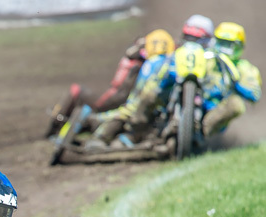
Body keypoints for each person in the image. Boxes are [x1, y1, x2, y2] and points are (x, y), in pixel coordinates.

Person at [83, 15, 215, 150]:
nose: (192, 44)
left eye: (197, 39)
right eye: (189, 38)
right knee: (135, 107)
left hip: (190, 104)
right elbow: (151, 86)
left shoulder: (212, 61)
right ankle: (103, 135)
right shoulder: (165, 59)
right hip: (158, 101)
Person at [46, 33, 150, 138]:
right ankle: (61, 124)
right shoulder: (138, 60)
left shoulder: (140, 61)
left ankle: (56, 124)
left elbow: (134, 53)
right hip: (114, 96)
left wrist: (143, 44)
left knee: (75, 90)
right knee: (78, 94)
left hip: (112, 99)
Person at [200, 22, 261, 137]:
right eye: (221, 43)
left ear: (239, 46)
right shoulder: (206, 57)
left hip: (218, 108)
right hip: (197, 100)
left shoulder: (244, 68)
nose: (224, 49)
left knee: (236, 104)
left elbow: (255, 94)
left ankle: (203, 131)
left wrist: (236, 81)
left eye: (229, 45)